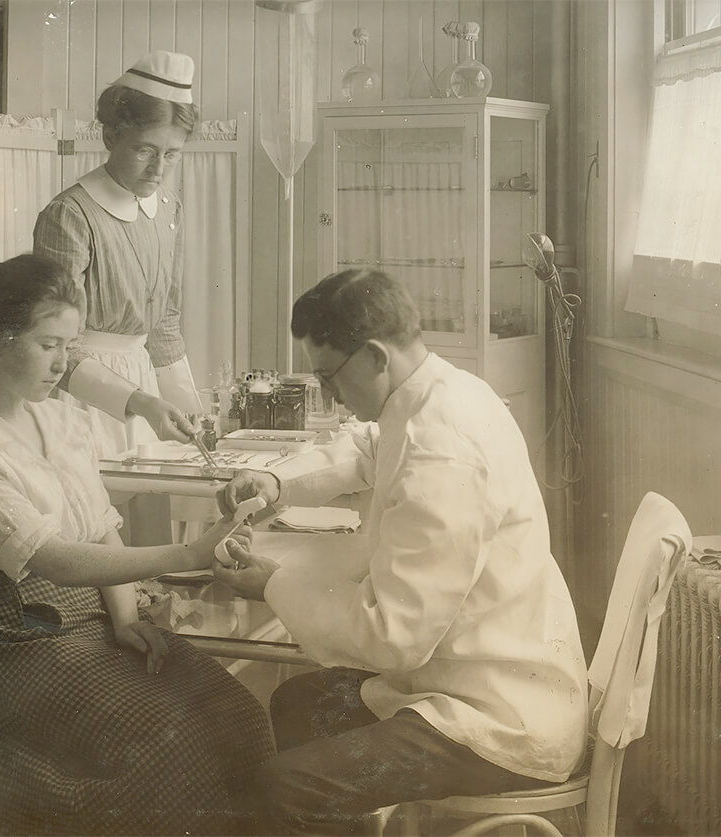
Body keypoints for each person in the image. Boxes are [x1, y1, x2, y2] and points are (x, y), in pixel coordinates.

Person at [213, 269, 589, 835]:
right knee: (297, 703)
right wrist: (278, 481)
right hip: (481, 674)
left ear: (373, 356)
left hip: (500, 720)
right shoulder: (446, 392)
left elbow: (393, 639)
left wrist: (273, 583)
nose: (331, 395)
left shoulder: (441, 454)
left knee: (283, 788)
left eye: (329, 377)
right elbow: (370, 445)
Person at [0, 253, 273, 834]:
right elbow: (52, 558)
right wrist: (187, 555)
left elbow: (100, 525)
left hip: (98, 623)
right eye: (50, 344)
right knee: (171, 740)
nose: (64, 362)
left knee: (239, 716)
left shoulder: (58, 421)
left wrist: (127, 617)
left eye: (70, 346)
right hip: (19, 643)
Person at [35, 49, 203, 458]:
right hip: (82, 397)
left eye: (172, 154)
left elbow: (163, 324)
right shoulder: (71, 215)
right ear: (112, 137)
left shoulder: (167, 210)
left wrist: (186, 406)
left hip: (147, 394)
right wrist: (140, 403)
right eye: (145, 151)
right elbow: (55, 345)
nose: (158, 170)